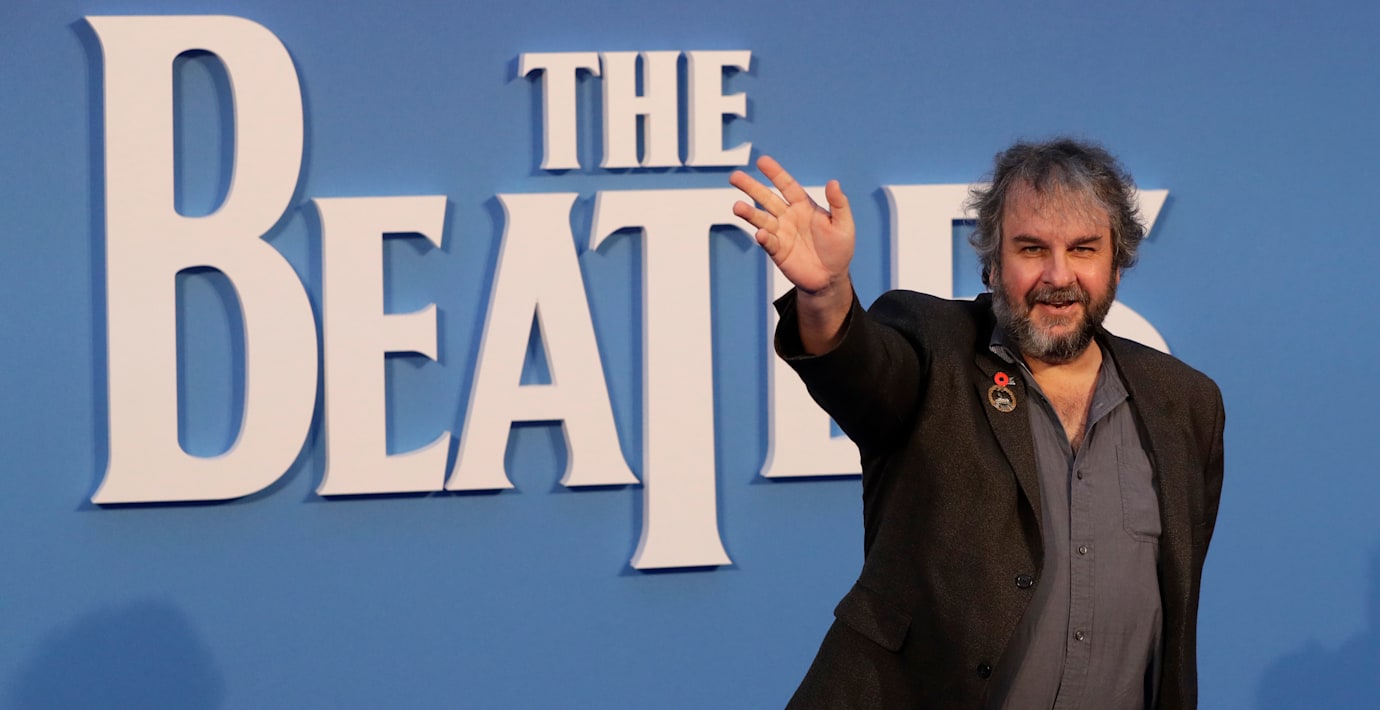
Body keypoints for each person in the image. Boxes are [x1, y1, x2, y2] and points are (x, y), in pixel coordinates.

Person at [729, 139, 1224, 709]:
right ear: (992, 263)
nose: (1058, 275)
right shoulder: (932, 346)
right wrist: (826, 294)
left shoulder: (1185, 404)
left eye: (1083, 249)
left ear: (1116, 263)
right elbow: (862, 373)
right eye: (1031, 248)